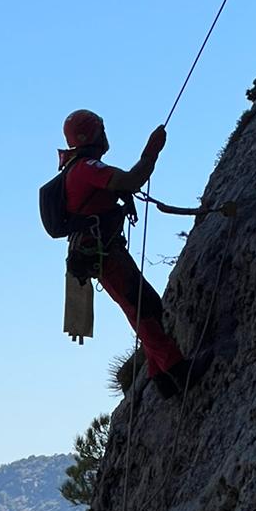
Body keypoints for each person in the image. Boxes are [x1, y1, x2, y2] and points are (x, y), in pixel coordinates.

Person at [58, 109, 212, 399]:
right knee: (140, 310)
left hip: (103, 251)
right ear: (93, 136)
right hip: (104, 255)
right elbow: (131, 180)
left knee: (149, 306)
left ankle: (160, 377)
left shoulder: (79, 168)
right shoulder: (87, 168)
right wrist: (151, 152)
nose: (105, 136)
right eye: (101, 131)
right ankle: (179, 371)